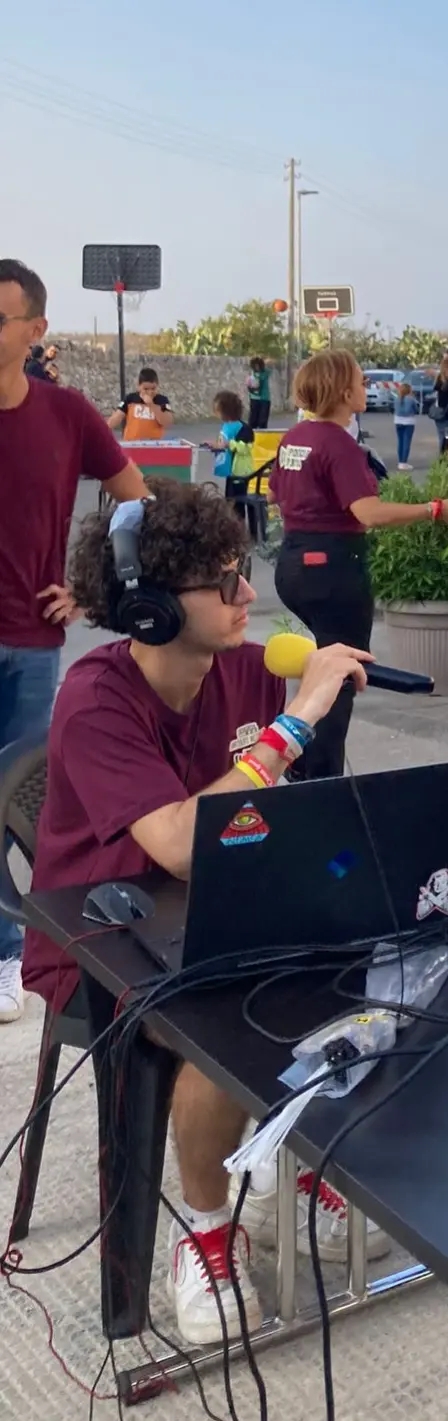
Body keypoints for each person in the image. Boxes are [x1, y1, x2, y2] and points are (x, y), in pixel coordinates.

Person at [20, 479, 388, 1343]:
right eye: (225, 583)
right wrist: (294, 727)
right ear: (148, 607)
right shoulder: (95, 698)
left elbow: (285, 812)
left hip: (215, 909)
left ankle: (298, 1167)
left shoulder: (244, 675)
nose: (248, 596)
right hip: (101, 936)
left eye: (243, 573)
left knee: (356, 964)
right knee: (220, 1019)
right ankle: (208, 1231)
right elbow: (182, 841)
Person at [0, 257, 148, 1024]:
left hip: (31, 639)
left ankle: (3, 954)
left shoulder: (66, 416)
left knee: (18, 801)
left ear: (34, 330)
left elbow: (135, 501)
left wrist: (89, 589)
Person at [269, 350, 448, 779]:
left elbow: (275, 495)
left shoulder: (295, 437)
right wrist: (434, 508)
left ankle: (301, 759)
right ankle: (319, 776)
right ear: (344, 391)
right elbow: (369, 512)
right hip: (334, 567)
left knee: (321, 667)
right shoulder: (338, 443)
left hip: (293, 561)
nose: (367, 388)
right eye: (361, 382)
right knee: (340, 678)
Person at [205, 391, 260, 541]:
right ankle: (236, 531)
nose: (216, 413)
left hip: (241, 472)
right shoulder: (226, 427)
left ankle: (247, 533)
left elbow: (246, 448)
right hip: (230, 471)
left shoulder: (243, 428)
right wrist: (215, 446)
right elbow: (223, 444)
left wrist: (230, 444)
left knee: (239, 502)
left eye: (218, 410)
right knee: (230, 501)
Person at [110, 366, 175, 442]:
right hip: (132, 444)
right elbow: (117, 417)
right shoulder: (130, 399)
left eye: (153, 389)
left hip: (154, 445)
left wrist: (152, 405)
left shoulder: (162, 401)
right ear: (139, 386)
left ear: (157, 385)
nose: (150, 392)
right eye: (146, 389)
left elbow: (167, 422)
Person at [392, 380, 419, 469]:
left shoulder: (397, 398)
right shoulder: (411, 399)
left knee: (400, 441)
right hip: (409, 421)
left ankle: (400, 461)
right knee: (407, 441)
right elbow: (416, 409)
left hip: (398, 420)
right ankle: (404, 462)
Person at [245, 356, 271, 429]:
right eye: (255, 366)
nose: (257, 368)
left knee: (262, 421)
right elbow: (249, 385)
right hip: (254, 398)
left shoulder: (265, 372)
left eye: (258, 365)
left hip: (265, 399)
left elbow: (266, 374)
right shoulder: (251, 374)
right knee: (252, 420)